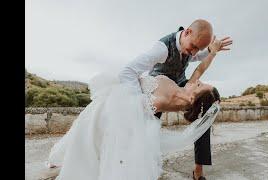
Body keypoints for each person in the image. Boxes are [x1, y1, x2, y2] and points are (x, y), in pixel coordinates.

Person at [46, 71, 221, 179]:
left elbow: (145, 105)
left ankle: (75, 164)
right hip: (116, 100)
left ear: (194, 98)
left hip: (116, 106)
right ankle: (62, 157)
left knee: (88, 136)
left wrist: (129, 87)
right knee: (84, 131)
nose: (199, 81)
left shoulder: (175, 99)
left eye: (201, 85)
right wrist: (211, 53)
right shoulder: (183, 93)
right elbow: (198, 72)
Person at [119, 19, 232, 179]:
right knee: (145, 132)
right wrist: (140, 102)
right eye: (193, 47)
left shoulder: (189, 47)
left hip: (179, 85)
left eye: (197, 49)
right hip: (159, 89)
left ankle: (198, 170)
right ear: (187, 32)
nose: (193, 53)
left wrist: (210, 50)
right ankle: (140, 169)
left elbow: (198, 58)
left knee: (207, 98)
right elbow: (127, 72)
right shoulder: (162, 49)